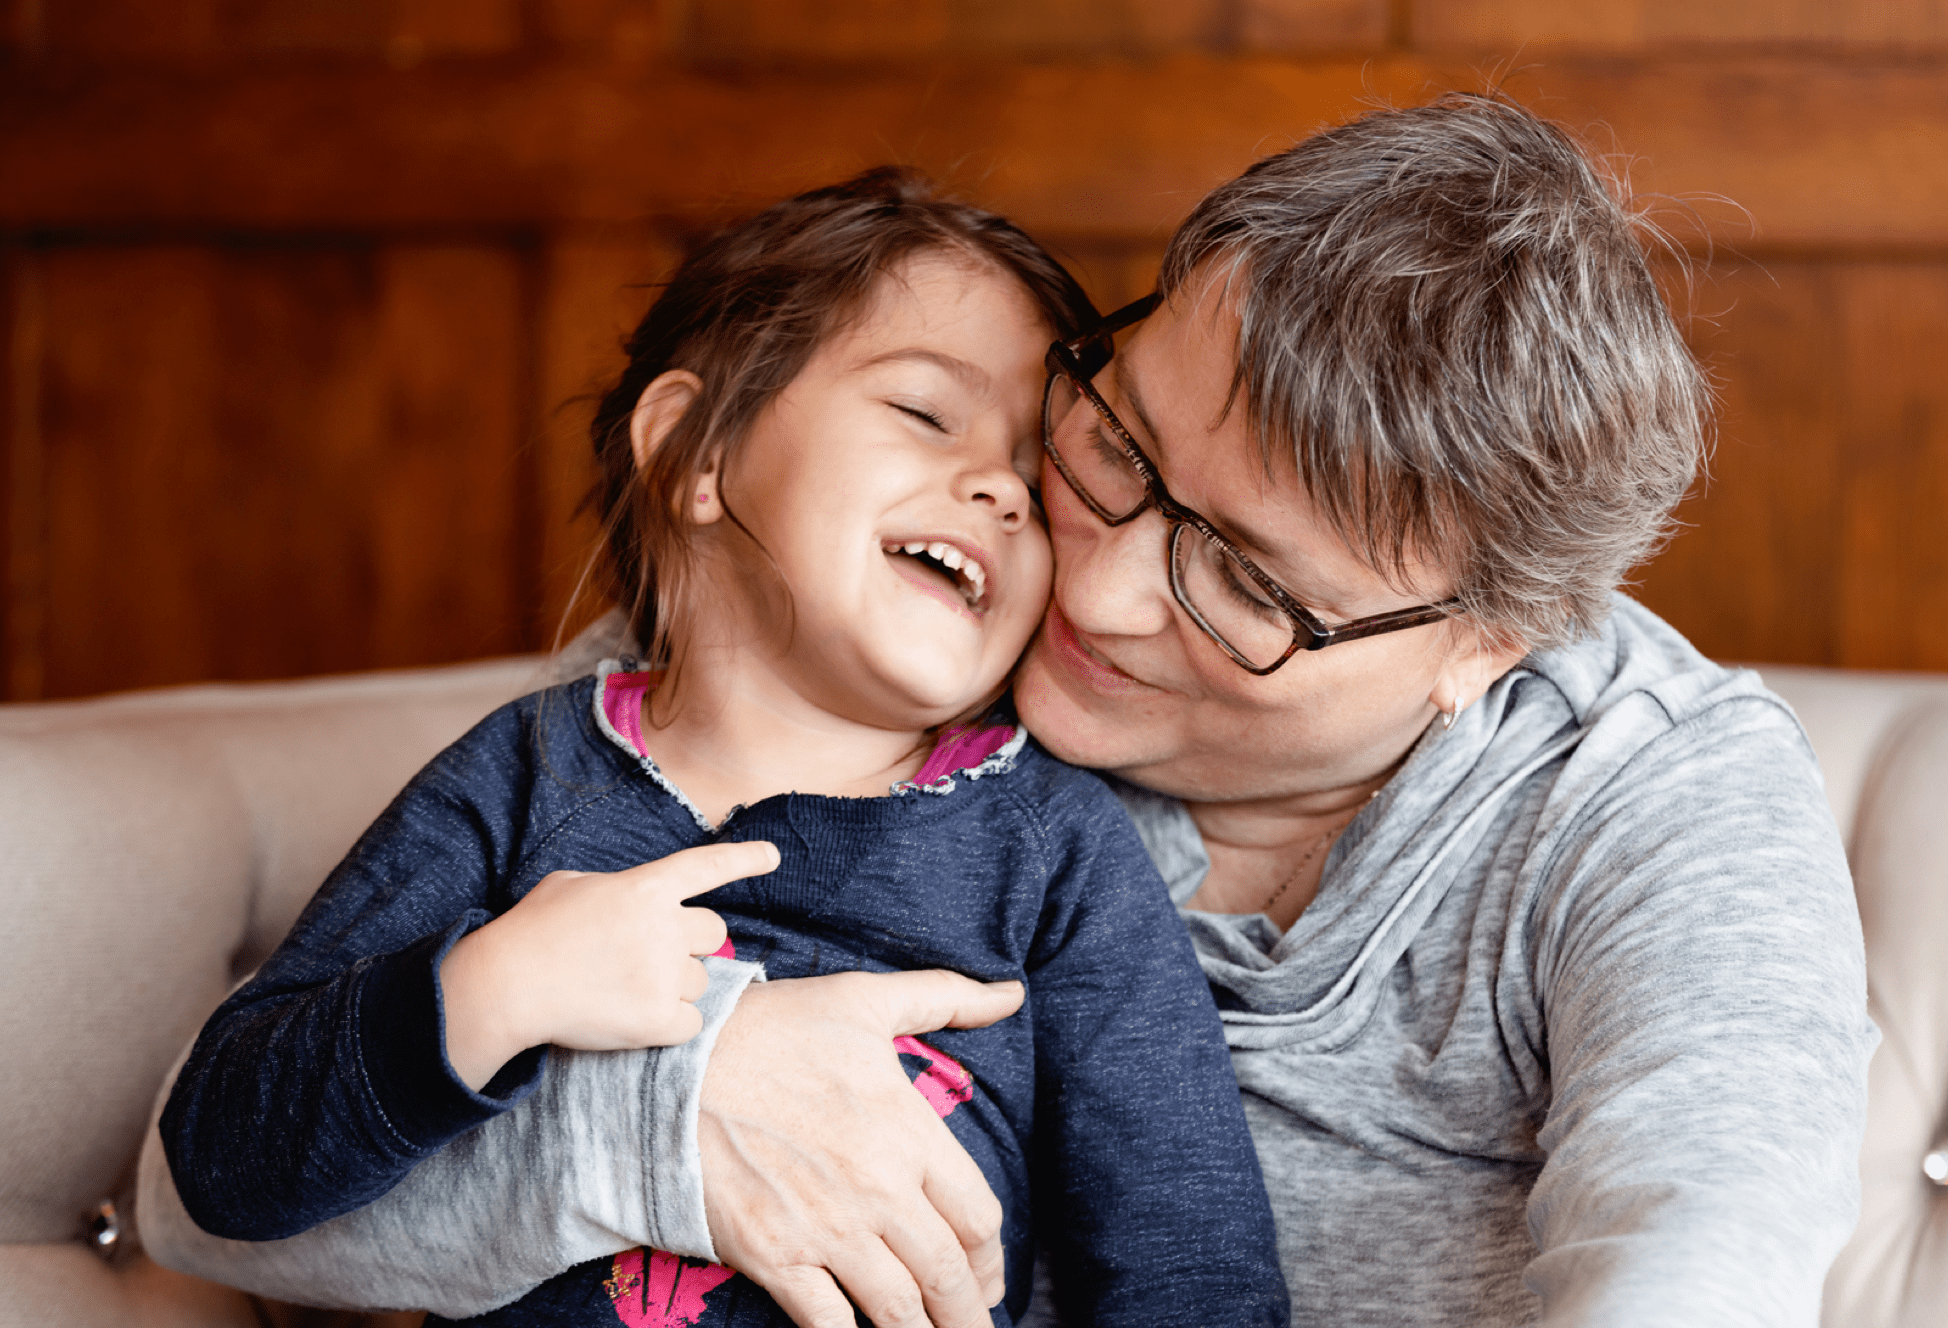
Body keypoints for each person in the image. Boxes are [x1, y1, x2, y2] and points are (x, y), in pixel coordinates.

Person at [141, 94, 1873, 1327]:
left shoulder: (1645, 797)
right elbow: (205, 1194)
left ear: (1484, 644)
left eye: (1248, 586)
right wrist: (666, 1120)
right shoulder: (851, 658)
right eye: (1117, 446)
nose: (1095, 585)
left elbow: (1690, 1257)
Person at [151, 169, 1288, 1328]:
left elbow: (1191, 1267)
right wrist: (491, 986)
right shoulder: (525, 778)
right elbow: (224, 1158)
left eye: (1030, 475)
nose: (1000, 487)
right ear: (693, 450)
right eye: (924, 412)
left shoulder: (1051, 848)